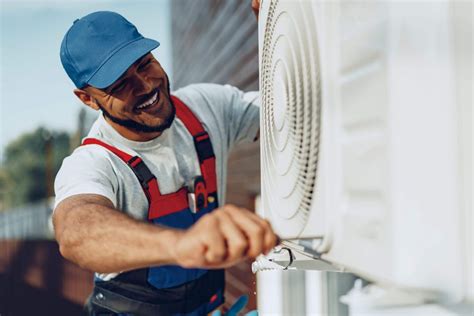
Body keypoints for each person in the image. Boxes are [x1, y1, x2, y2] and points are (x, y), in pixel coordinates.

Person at [53, 3, 277, 316]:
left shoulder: (206, 108)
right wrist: (182, 245)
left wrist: (276, 28)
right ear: (88, 98)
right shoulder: (94, 162)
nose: (145, 86)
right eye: (120, 85)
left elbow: (290, 110)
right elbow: (76, 232)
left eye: (144, 64)